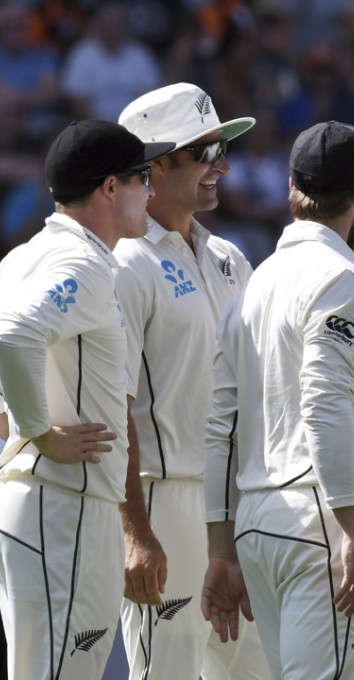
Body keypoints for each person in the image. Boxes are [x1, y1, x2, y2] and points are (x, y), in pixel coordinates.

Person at [203, 121, 354, 679]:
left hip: (257, 521)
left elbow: (221, 428)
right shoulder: (343, 278)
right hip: (322, 517)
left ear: (292, 188)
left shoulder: (254, 285)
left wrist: (222, 548)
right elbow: (323, 403)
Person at [0, 118, 172, 679]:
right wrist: (39, 432)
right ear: (110, 187)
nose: (152, 191)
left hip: (53, 503)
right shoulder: (84, 263)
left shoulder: (26, 256)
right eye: (144, 176)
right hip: (63, 503)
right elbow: (13, 335)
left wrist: (16, 422)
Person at [113, 83, 269, 680]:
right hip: (164, 499)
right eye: (205, 152)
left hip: (238, 504)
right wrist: (136, 533)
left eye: (221, 149)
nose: (221, 166)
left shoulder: (229, 255)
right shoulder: (125, 263)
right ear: (154, 166)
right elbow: (114, 406)